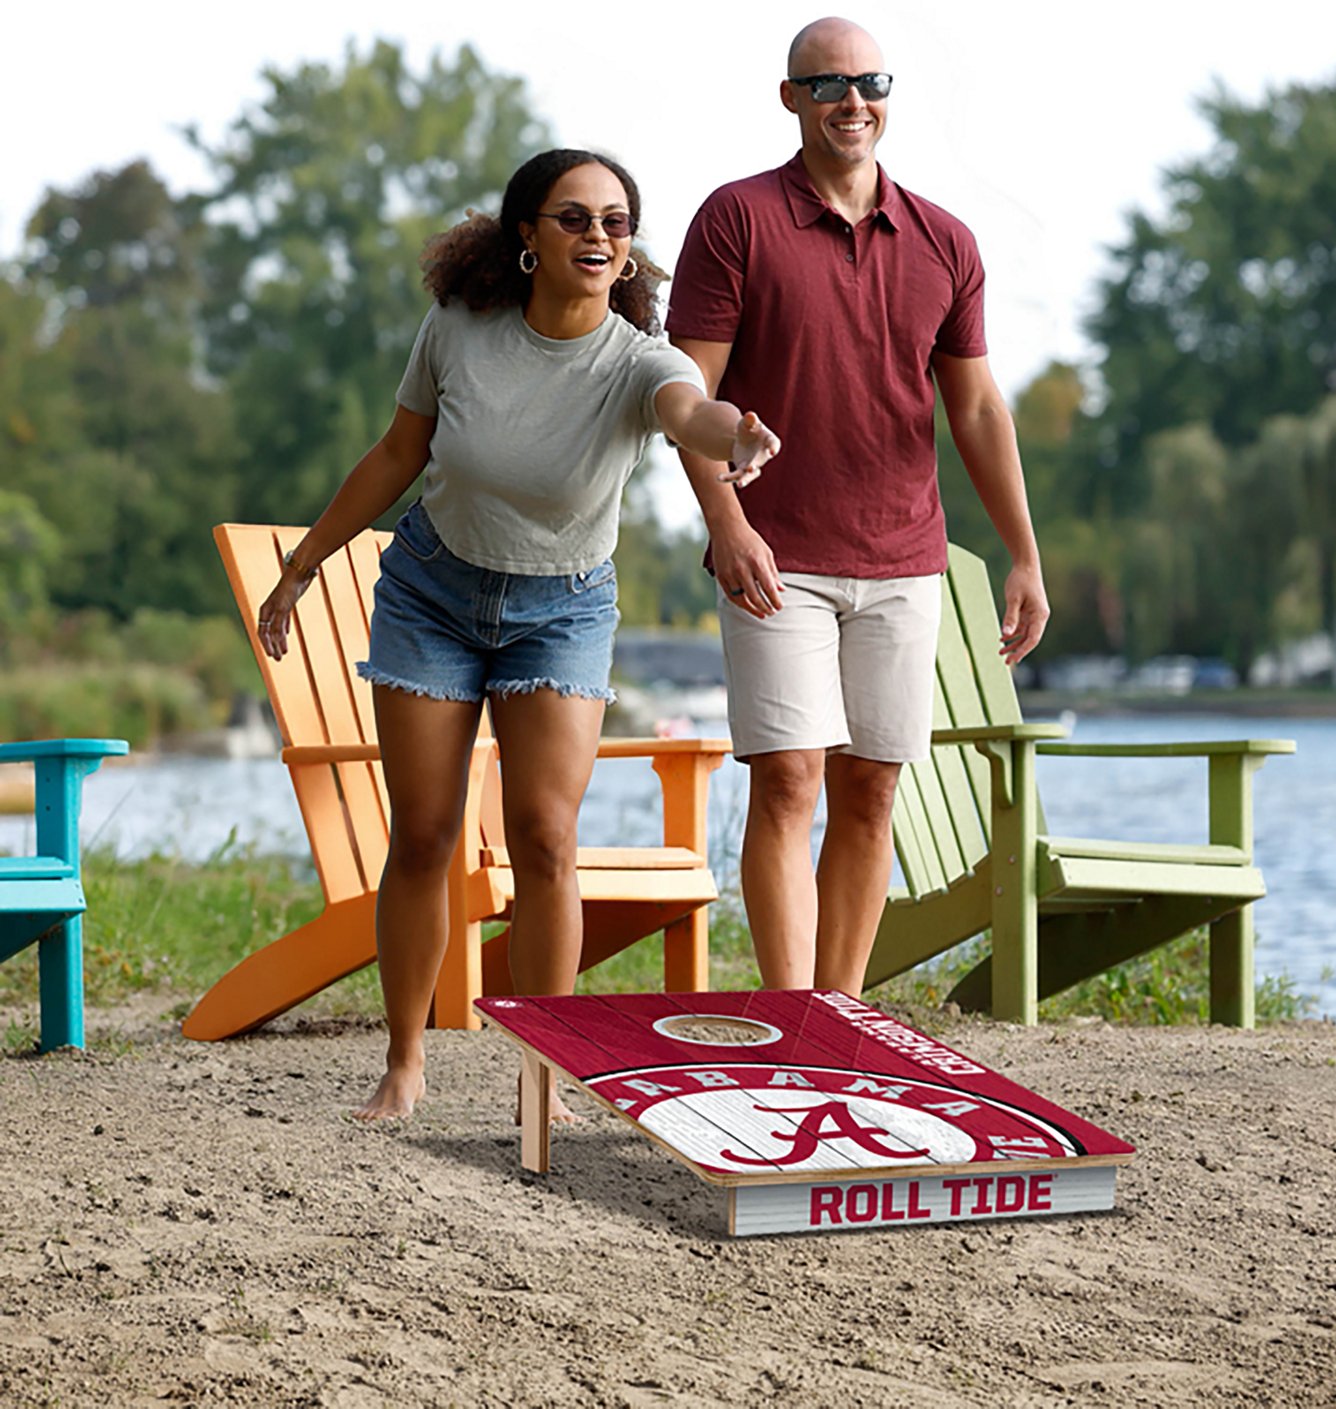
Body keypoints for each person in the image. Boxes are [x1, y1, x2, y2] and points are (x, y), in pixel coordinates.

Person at [255, 148, 781, 1121]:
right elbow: (398, 453)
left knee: (546, 837)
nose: (597, 235)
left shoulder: (639, 359)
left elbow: (688, 414)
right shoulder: (460, 329)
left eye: (615, 223)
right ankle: (405, 1061)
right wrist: (307, 561)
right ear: (528, 238)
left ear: (628, 253)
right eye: (574, 217)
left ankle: (545, 1072)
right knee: (424, 833)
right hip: (432, 596)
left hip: (563, 610)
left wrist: (734, 438)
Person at [666, 18, 1049, 998]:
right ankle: (791, 1014)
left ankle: (836, 1013)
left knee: (872, 787)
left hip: (904, 557)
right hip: (776, 554)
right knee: (789, 776)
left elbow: (975, 406)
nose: (852, 100)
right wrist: (728, 524)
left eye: (869, 81)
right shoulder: (735, 219)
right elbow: (684, 399)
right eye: (828, 84)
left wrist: (1022, 554)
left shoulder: (945, 241)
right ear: (790, 97)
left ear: (887, 94)